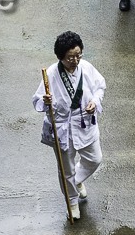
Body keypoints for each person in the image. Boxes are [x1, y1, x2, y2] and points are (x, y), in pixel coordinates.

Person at [33, 31, 105, 220]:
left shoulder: (86, 67)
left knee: (95, 159)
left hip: (84, 123)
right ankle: (71, 202)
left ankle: (78, 180)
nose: (75, 60)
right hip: (62, 128)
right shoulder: (51, 74)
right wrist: (45, 100)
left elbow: (100, 86)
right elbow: (37, 101)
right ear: (60, 57)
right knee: (66, 169)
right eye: (70, 57)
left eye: (78, 55)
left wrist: (95, 102)